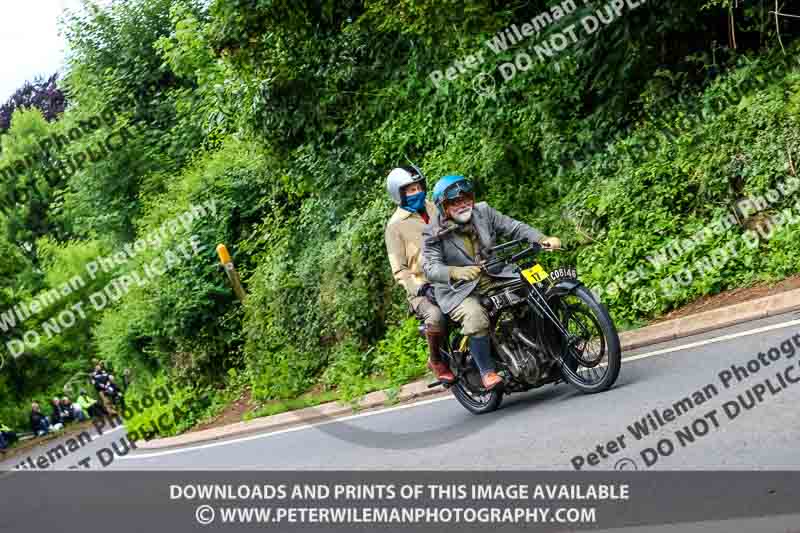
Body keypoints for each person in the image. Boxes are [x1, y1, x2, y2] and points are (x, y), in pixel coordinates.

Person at [422, 175, 561, 390]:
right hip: (460, 290)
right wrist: (455, 272)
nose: (463, 205)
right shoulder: (433, 232)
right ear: (444, 207)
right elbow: (430, 268)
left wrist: (541, 238)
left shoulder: (483, 211)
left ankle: (551, 346)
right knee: (475, 316)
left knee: (539, 287)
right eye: (455, 202)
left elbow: (513, 227)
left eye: (466, 199)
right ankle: (487, 371)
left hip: (496, 275)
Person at [384, 165, 454, 384]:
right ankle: (435, 360)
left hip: (452, 275)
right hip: (423, 287)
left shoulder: (436, 209)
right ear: (399, 194)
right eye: (410, 190)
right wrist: (420, 288)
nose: (417, 193)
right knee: (435, 315)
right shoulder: (395, 227)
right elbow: (400, 269)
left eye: (418, 188)